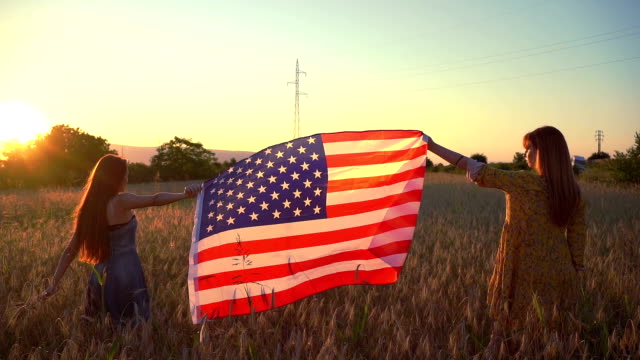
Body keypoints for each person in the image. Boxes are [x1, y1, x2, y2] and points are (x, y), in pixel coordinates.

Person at [425, 126, 586, 328]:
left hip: (524, 268)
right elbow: (577, 236)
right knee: (553, 330)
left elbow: (472, 166)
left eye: (529, 148)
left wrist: (432, 146)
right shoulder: (573, 191)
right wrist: (576, 270)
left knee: (519, 328)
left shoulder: (522, 181)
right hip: (562, 271)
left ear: (541, 152)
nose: (525, 153)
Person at [41, 154, 201, 324]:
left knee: (102, 331)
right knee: (132, 330)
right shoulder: (121, 201)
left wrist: (54, 284)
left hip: (99, 277)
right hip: (126, 276)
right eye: (125, 174)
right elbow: (154, 199)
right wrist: (184, 195)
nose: (126, 178)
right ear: (116, 177)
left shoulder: (89, 208)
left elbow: (70, 250)